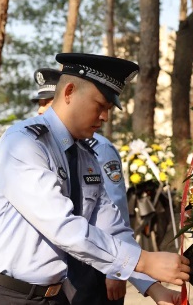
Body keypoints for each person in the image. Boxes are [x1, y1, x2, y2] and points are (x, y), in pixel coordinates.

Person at [0, 53, 189, 305]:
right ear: (69, 92)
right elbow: (63, 226)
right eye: (100, 105)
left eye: (109, 110)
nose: (105, 118)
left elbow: (110, 226)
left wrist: (153, 287)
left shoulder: (85, 157)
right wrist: (143, 260)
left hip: (52, 296)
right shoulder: (23, 144)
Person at [31, 68, 136, 304]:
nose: (40, 108)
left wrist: (119, 270)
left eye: (46, 102)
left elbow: (112, 211)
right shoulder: (28, 145)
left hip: (93, 261)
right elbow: (60, 224)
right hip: (58, 269)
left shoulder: (93, 149)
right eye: (41, 102)